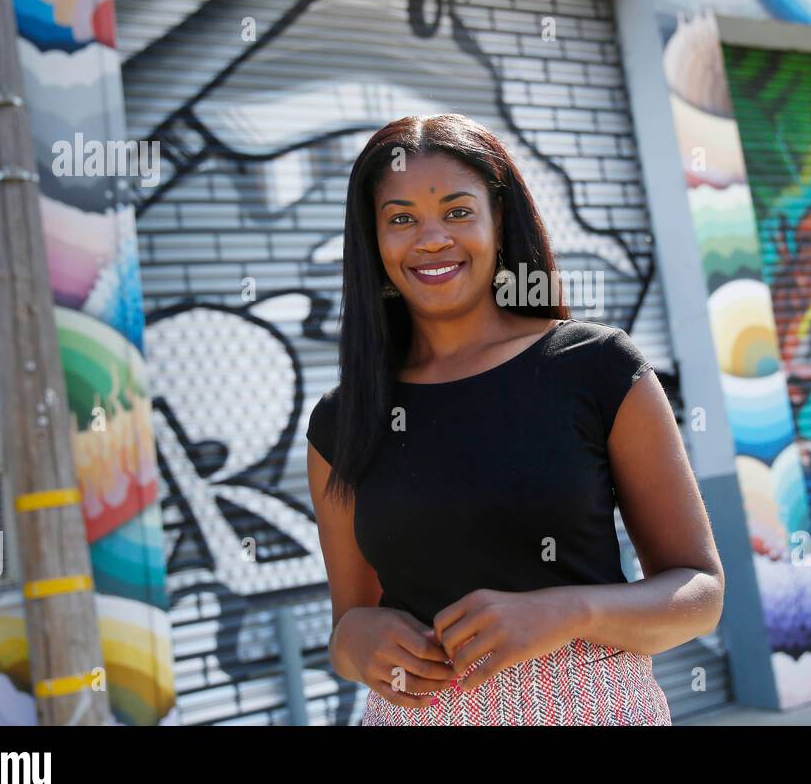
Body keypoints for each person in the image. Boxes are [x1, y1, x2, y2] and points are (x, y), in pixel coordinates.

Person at [304, 113, 724, 725]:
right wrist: (354, 641)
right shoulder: (342, 420)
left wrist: (569, 611)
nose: (430, 239)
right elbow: (348, 624)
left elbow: (701, 595)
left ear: (498, 220)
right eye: (400, 219)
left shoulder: (597, 368)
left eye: (457, 211)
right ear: (372, 239)